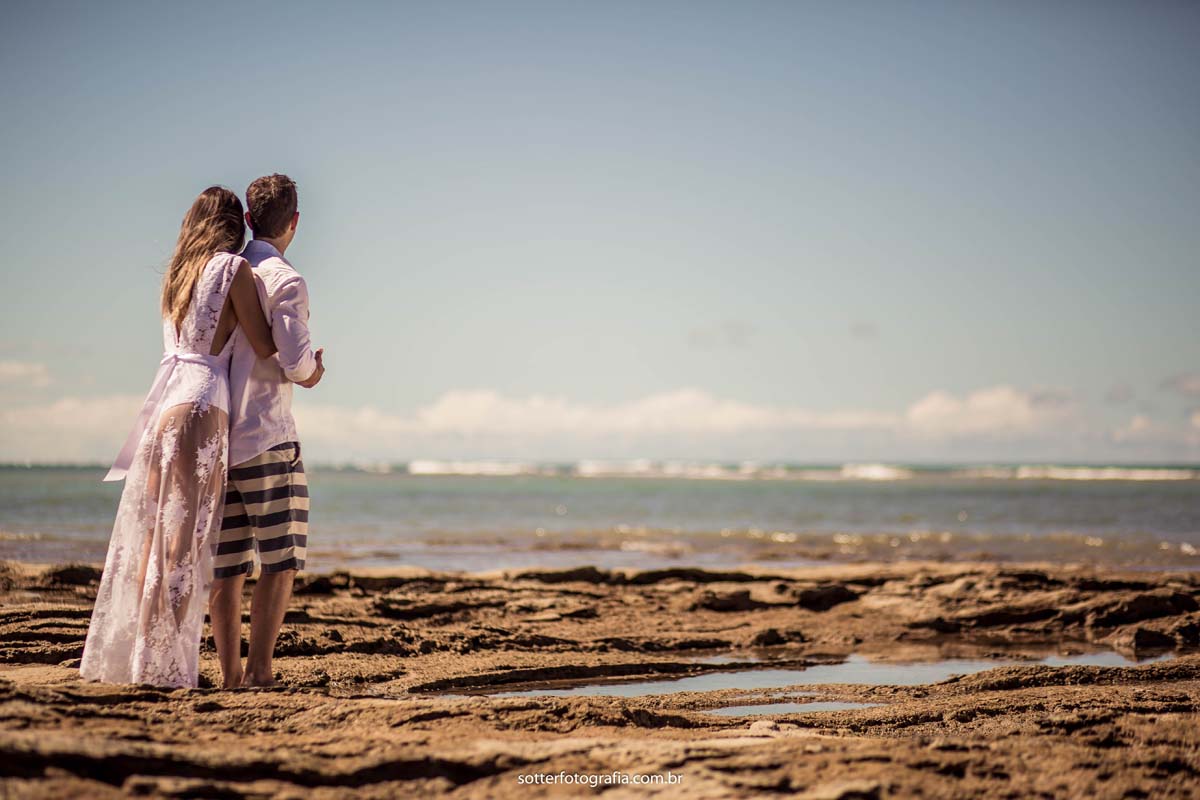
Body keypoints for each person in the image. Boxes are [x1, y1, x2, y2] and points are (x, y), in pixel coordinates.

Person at [80, 187, 277, 688]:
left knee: (153, 544)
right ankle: (164, 668)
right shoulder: (234, 271)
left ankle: (143, 659)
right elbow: (264, 343)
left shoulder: (176, 277)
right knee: (183, 546)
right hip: (202, 405)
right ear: (236, 225)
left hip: (164, 409)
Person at [209, 173, 324, 689]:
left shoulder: (227, 269)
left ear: (250, 219)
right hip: (268, 435)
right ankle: (260, 669)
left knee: (227, 565)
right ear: (294, 223)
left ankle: (230, 673)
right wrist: (316, 372)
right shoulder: (284, 279)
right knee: (281, 559)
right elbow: (295, 361)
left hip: (221, 436)